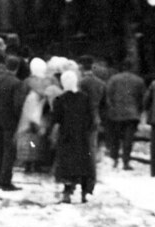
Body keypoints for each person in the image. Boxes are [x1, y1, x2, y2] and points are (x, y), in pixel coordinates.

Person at [51, 70, 96, 203]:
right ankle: (84, 192)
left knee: (67, 165)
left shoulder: (60, 100)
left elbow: (56, 118)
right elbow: (91, 118)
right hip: (82, 136)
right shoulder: (85, 98)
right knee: (83, 164)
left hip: (66, 136)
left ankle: (67, 191)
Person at [0, 53, 26, 190]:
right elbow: (17, 104)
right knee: (8, 151)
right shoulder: (17, 83)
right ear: (17, 68)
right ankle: (5, 181)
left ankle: (0, 178)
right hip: (10, 121)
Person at [104, 61, 145, 170]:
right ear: (131, 67)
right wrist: (139, 111)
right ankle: (126, 161)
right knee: (128, 139)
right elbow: (142, 99)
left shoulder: (113, 79)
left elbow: (108, 95)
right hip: (132, 114)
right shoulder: (139, 80)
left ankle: (114, 159)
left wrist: (111, 108)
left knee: (115, 138)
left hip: (116, 114)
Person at [17, 58, 51, 173]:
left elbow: (21, 96)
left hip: (28, 110)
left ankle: (27, 163)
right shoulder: (47, 81)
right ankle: (38, 162)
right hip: (41, 112)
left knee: (28, 137)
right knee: (39, 138)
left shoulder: (27, 81)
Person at [78, 55, 107, 172]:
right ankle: (91, 171)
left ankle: (80, 170)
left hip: (81, 117)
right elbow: (104, 105)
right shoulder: (101, 83)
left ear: (81, 66)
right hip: (95, 117)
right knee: (92, 146)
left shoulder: (80, 82)